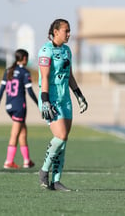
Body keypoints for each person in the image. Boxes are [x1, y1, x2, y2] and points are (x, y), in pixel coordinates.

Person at [38, 18, 88, 191]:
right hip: (50, 99)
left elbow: (70, 75)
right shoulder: (46, 50)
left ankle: (56, 180)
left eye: (69, 30)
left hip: (65, 99)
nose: (69, 34)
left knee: (64, 140)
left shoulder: (67, 50)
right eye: (66, 30)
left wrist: (79, 95)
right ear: (55, 31)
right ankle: (44, 171)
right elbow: (44, 77)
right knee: (60, 136)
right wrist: (45, 100)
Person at [0, 49, 38, 169]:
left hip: (9, 106)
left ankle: (27, 161)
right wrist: (39, 104)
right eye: (27, 58)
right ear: (24, 58)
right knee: (15, 133)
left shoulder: (8, 71)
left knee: (23, 132)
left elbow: (2, 90)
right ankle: (8, 161)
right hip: (19, 107)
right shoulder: (24, 72)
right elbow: (30, 91)